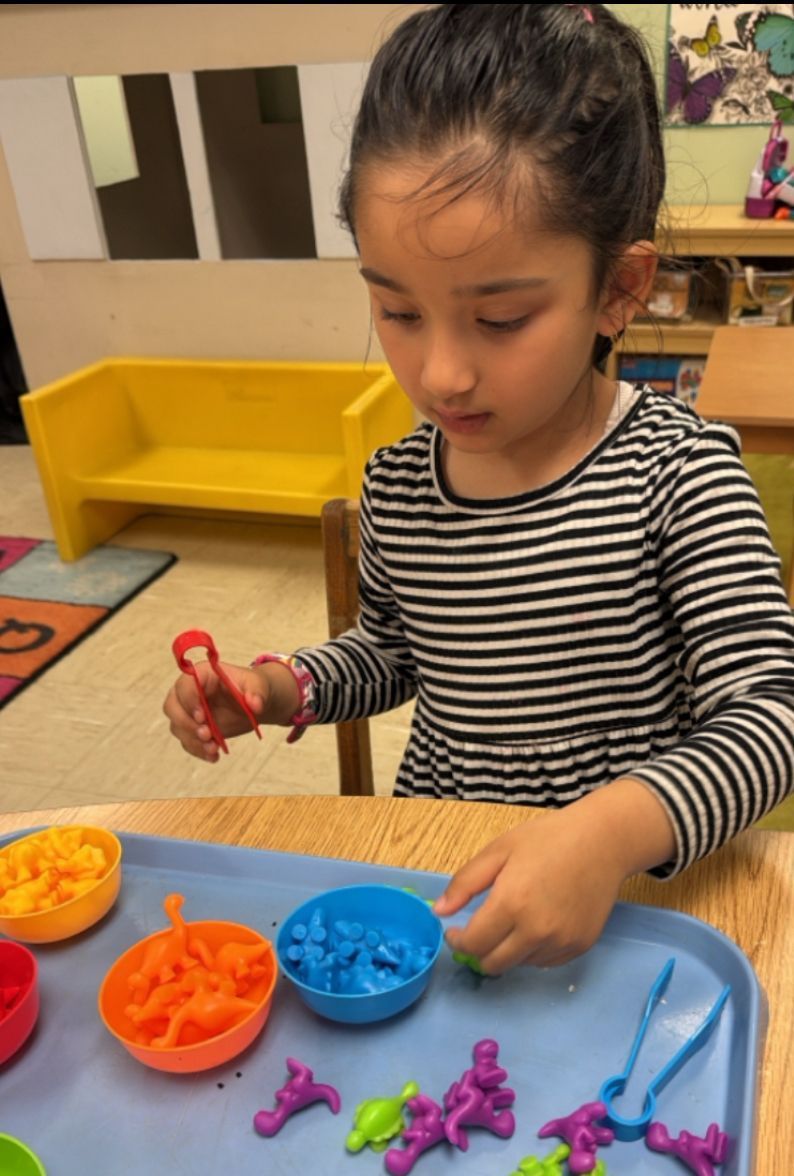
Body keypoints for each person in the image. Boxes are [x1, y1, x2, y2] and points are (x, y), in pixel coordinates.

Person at [164, 4, 794, 975]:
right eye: (397, 310)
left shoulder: (679, 474)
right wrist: (277, 686)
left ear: (619, 289)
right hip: (445, 882)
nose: (441, 373)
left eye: (498, 318)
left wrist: (606, 832)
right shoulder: (402, 482)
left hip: (631, 904)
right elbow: (393, 652)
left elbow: (764, 723)